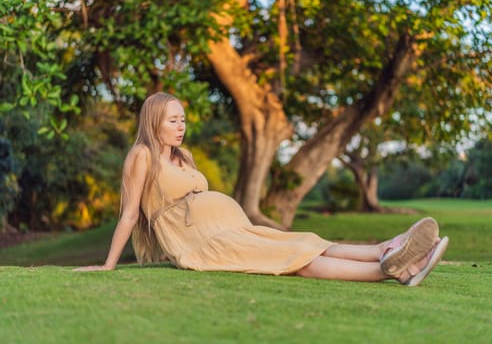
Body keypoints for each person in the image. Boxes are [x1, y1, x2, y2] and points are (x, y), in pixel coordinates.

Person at [74, 92, 449, 286]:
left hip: (232, 228)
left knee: (300, 241)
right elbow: (130, 213)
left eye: (183, 119)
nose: (181, 126)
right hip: (202, 244)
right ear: (154, 121)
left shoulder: (183, 156)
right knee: (295, 262)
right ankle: (392, 267)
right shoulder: (142, 155)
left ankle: (393, 250)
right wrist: (108, 265)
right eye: (173, 120)